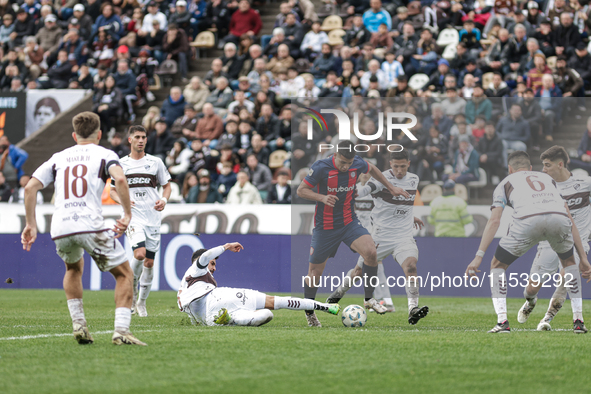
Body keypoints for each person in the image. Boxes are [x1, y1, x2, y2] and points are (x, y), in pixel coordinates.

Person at [21, 112, 145, 346]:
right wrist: (127, 214)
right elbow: (120, 179)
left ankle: (79, 325)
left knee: (73, 268)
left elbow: (30, 188)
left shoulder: (58, 157)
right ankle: (121, 331)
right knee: (125, 274)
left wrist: (31, 224)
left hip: (60, 225)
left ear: (74, 135)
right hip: (89, 223)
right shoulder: (105, 154)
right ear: (99, 134)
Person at [465, 151, 591, 333]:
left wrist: (478, 256)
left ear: (510, 169)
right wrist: (583, 258)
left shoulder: (504, 183)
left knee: (497, 265)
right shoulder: (548, 180)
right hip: (559, 220)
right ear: (531, 168)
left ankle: (502, 323)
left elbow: (494, 221)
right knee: (570, 264)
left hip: (528, 221)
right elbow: (569, 219)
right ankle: (578, 321)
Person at [296, 140, 410, 326]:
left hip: (349, 221)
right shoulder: (320, 167)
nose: (346, 166)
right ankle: (310, 312)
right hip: (325, 227)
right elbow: (302, 190)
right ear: (335, 155)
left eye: (349, 163)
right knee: (315, 272)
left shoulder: (357, 163)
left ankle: (368, 299)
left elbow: (371, 168)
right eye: (343, 162)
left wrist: (390, 187)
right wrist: (322, 197)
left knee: (371, 252)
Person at [325, 150, 429, 324]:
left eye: (403, 166)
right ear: (390, 164)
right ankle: (338, 294)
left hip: (403, 236)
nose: (399, 170)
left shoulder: (414, 179)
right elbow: (365, 190)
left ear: (409, 164)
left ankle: (413, 309)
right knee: (358, 272)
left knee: (411, 266)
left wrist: (410, 217)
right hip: (380, 236)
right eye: (396, 166)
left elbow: (401, 205)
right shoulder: (381, 179)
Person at [517, 146, 591, 331]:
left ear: (560, 164)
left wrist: (582, 257)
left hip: (577, 241)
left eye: (547, 165)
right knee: (531, 289)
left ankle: (567, 320)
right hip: (550, 243)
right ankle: (530, 303)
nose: (544, 170)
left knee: (568, 277)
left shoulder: (585, 184)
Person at [177, 242, 340, 326]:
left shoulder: (187, 285)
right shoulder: (196, 270)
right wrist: (226, 246)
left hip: (211, 317)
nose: (213, 268)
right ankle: (325, 307)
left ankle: (230, 320)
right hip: (219, 298)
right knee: (275, 301)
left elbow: (194, 316)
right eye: (212, 264)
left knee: (266, 315)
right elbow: (205, 257)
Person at [109, 125, 172, 318]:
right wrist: (124, 200)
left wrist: (164, 199)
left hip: (152, 217)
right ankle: (131, 288)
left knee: (150, 262)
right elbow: (112, 191)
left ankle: (141, 303)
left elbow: (167, 186)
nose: (141, 140)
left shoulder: (155, 162)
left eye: (143, 137)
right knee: (139, 254)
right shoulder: (120, 164)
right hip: (133, 216)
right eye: (137, 137)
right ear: (130, 140)